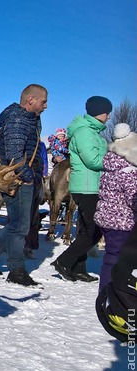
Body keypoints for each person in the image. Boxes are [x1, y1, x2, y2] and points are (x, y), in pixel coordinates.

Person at [0, 85, 48, 287]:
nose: (46, 106)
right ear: (31, 99)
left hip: (24, 176)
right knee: (20, 226)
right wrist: (27, 176)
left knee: (17, 223)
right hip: (20, 178)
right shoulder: (19, 119)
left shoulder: (26, 119)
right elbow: (16, 154)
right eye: (43, 102)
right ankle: (16, 269)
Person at [51, 96, 112, 282]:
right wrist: (116, 161)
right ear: (98, 112)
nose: (108, 117)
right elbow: (92, 160)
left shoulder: (91, 131)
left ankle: (78, 267)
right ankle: (63, 261)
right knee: (95, 229)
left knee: (86, 229)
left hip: (92, 185)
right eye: (106, 113)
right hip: (87, 186)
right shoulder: (85, 132)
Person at [94, 123, 137, 290]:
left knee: (112, 257)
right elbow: (133, 199)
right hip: (122, 222)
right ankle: (110, 292)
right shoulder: (129, 173)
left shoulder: (110, 169)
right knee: (115, 259)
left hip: (107, 219)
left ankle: (111, 290)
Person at [24, 140, 49, 259]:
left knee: (33, 213)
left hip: (36, 177)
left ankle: (29, 245)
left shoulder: (41, 144)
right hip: (27, 176)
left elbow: (44, 158)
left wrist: (44, 173)